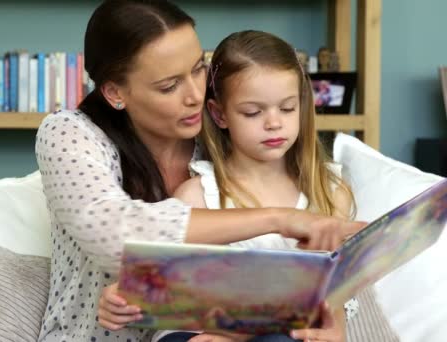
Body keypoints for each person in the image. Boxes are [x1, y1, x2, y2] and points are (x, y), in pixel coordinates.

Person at [36, 1, 365, 341]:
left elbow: (313, 279)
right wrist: (278, 218)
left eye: (198, 69)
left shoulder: (224, 138)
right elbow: (114, 233)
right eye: (169, 86)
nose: (194, 95)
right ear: (115, 92)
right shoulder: (70, 134)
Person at [150, 30, 359, 342]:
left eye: (287, 108)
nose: (273, 122)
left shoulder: (329, 193)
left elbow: (336, 285)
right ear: (219, 114)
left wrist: (336, 332)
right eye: (253, 112)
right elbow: (170, 289)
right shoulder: (199, 196)